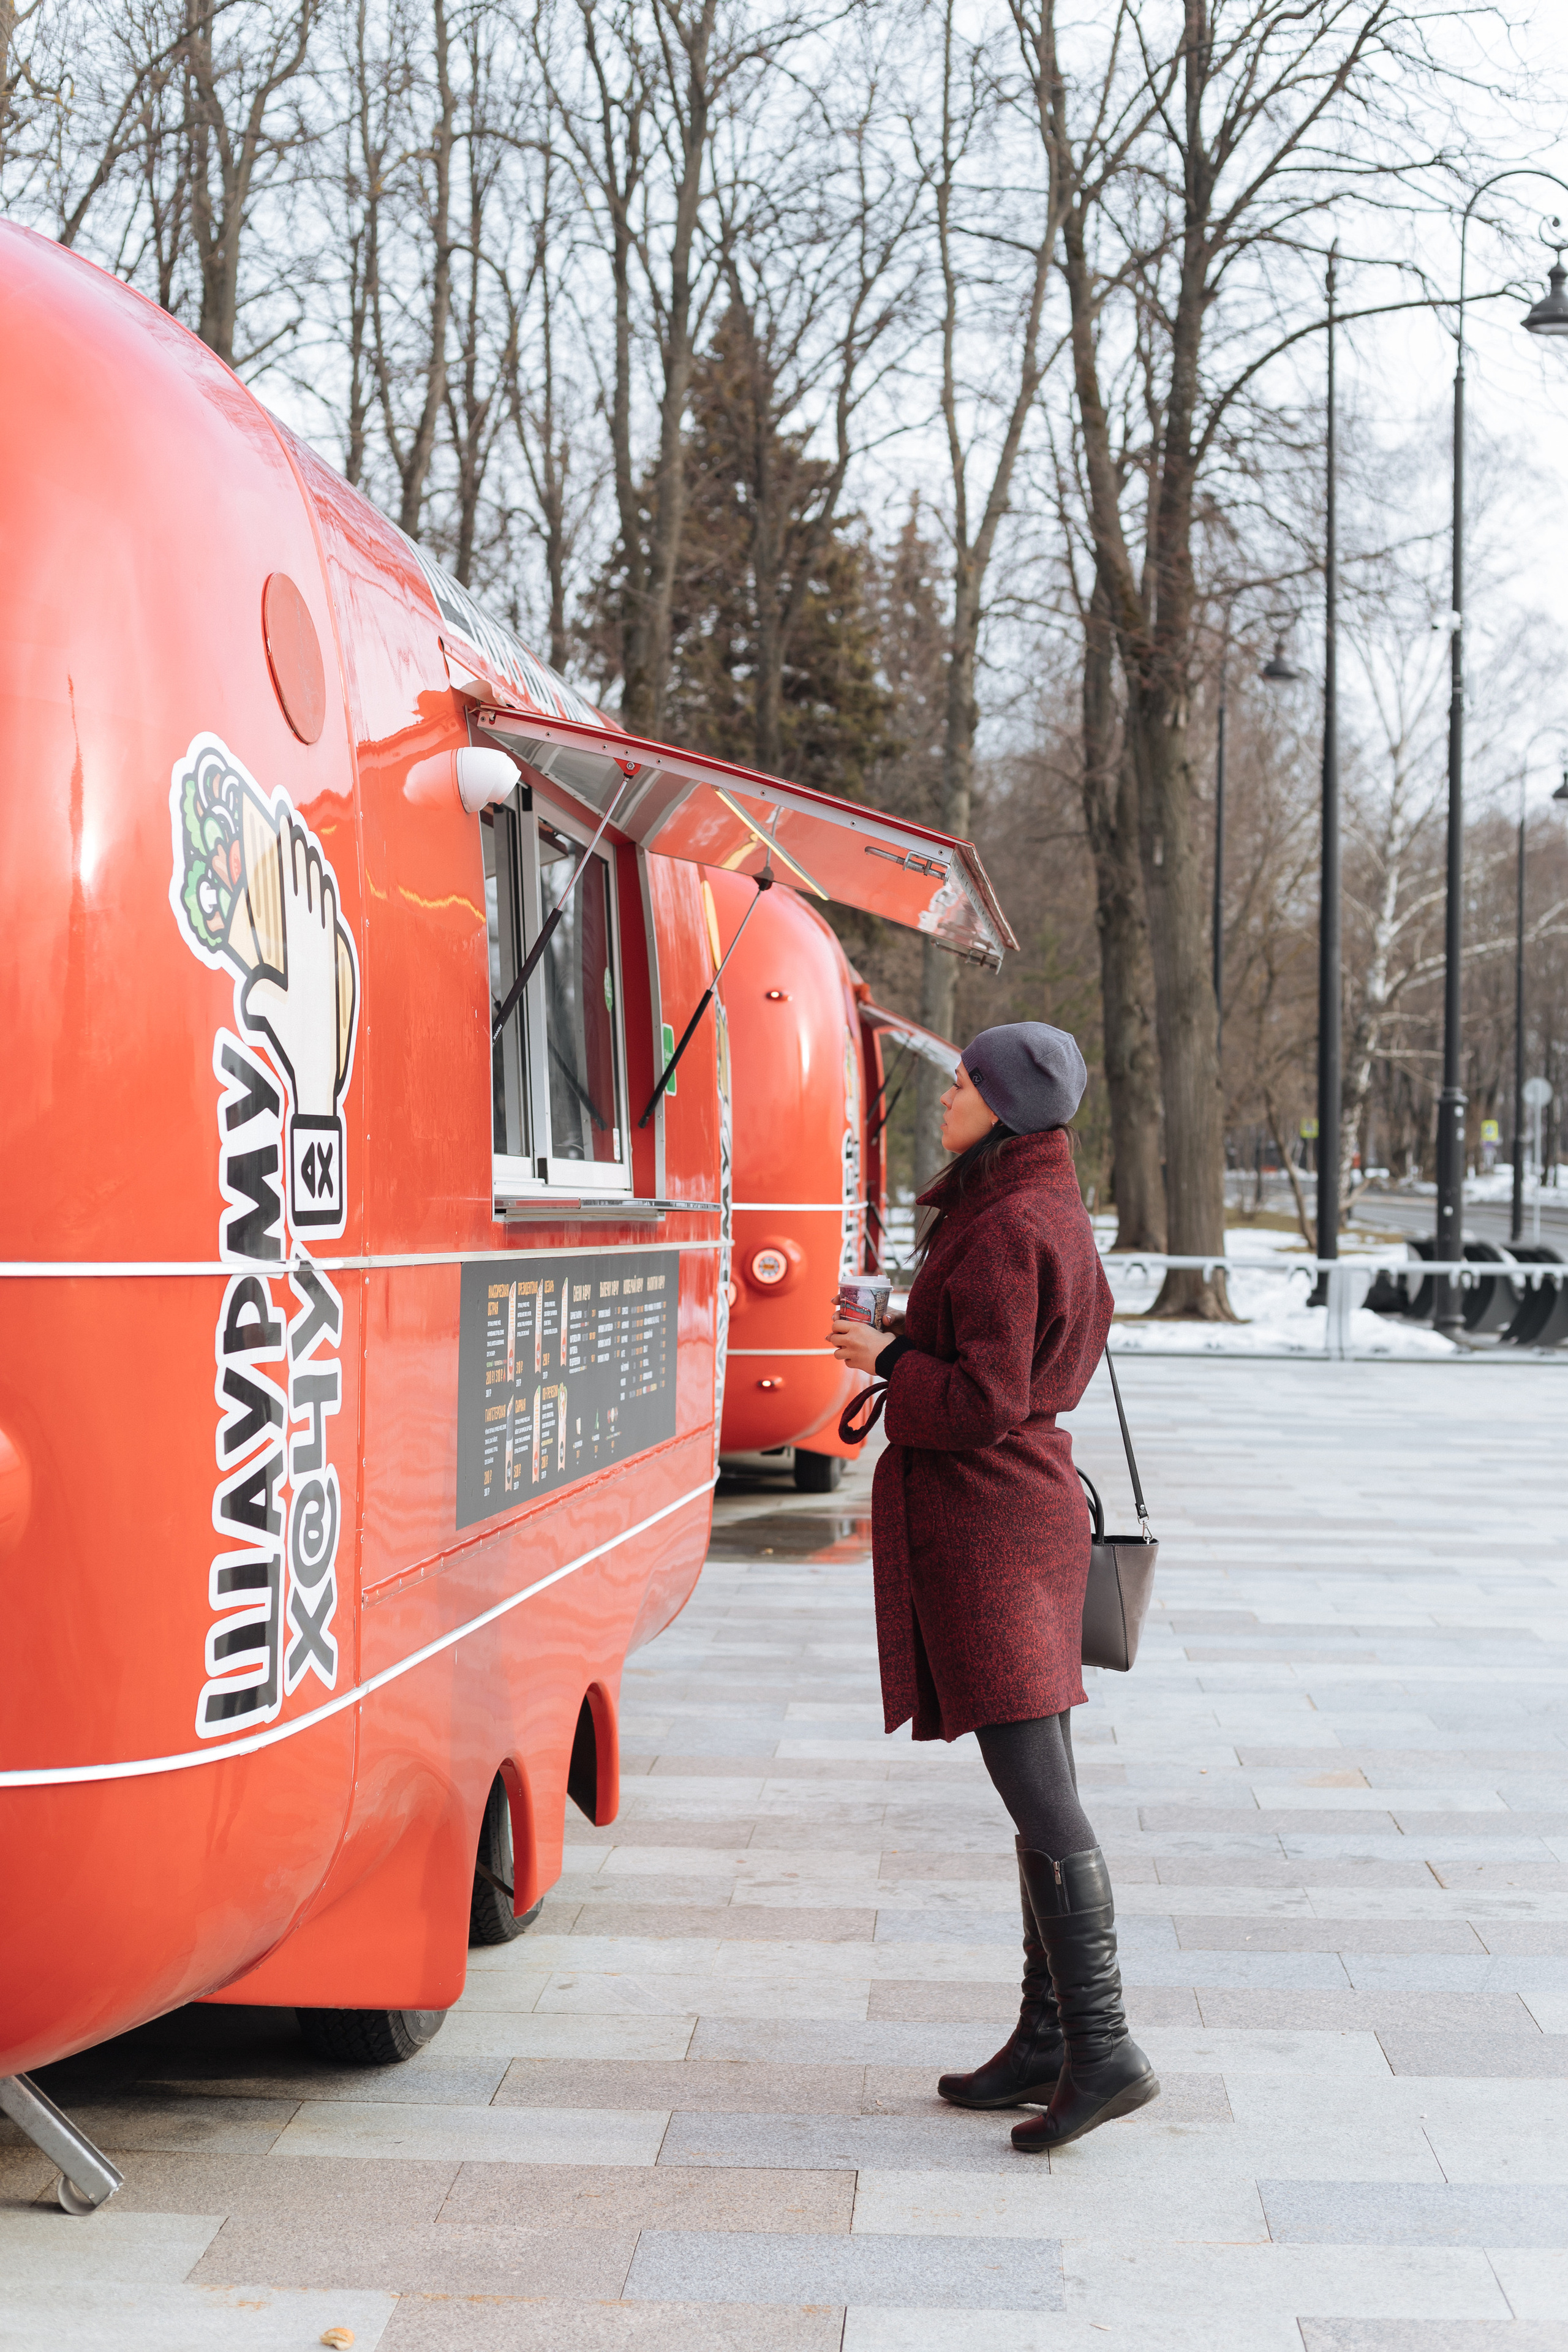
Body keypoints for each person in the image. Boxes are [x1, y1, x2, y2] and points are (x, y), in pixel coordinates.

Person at [829, 1021, 1158, 2152]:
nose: (947, 1097)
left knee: (1040, 1792)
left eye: (964, 1084)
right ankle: (1048, 2037)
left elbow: (982, 1400)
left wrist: (886, 1361)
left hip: (995, 1527)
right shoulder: (1030, 1201)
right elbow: (997, 1363)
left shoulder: (1013, 1221)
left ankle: (1103, 2047)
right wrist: (903, 1334)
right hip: (1019, 1518)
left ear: (1007, 1106)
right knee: (1040, 1782)